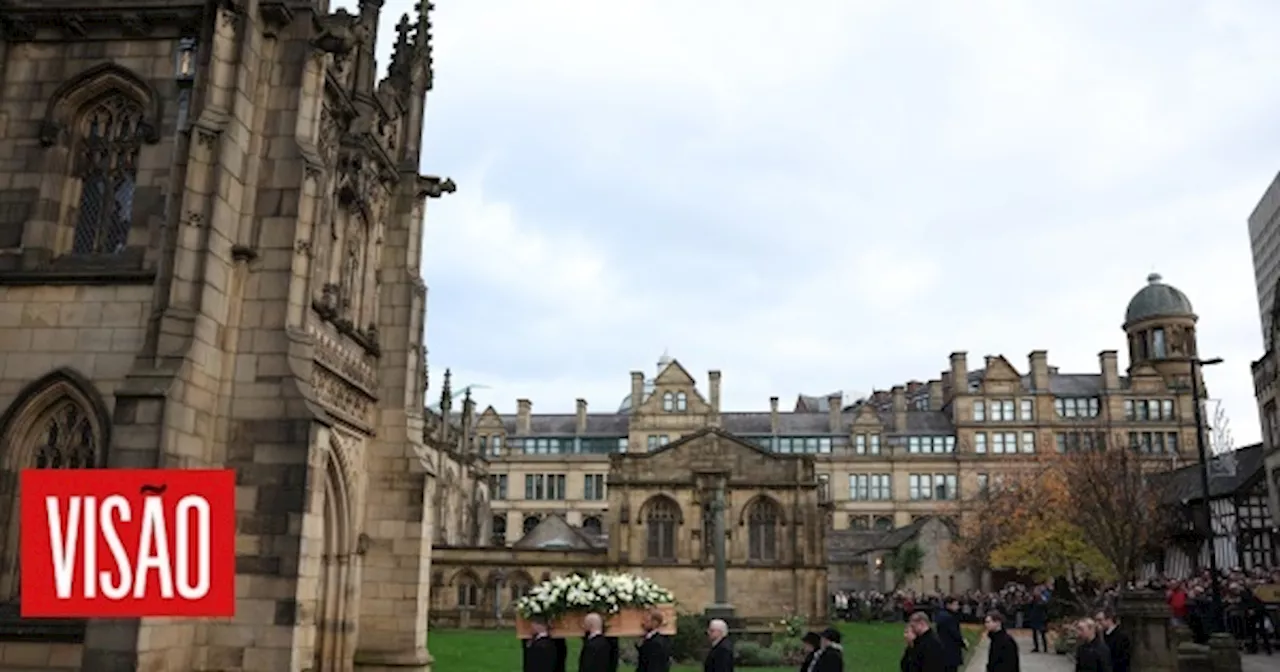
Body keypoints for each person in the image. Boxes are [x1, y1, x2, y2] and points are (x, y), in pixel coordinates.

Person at [934, 597, 966, 672]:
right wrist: (963, 643)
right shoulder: (949, 618)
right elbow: (955, 633)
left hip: (942, 649)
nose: (957, 607)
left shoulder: (941, 615)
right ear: (948, 605)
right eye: (955, 604)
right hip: (951, 650)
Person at [636, 608, 673, 672]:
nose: (643, 623)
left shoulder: (656, 643)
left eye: (646, 620)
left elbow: (654, 667)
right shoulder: (654, 640)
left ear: (655, 623)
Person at [1027, 587, 1049, 653]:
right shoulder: (1033, 599)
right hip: (1034, 617)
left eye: (1037, 591)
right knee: (1034, 633)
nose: (1036, 593)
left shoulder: (1042, 599)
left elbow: (1045, 607)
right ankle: (1036, 647)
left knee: (1042, 633)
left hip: (1041, 617)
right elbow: (1029, 607)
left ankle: (1045, 648)